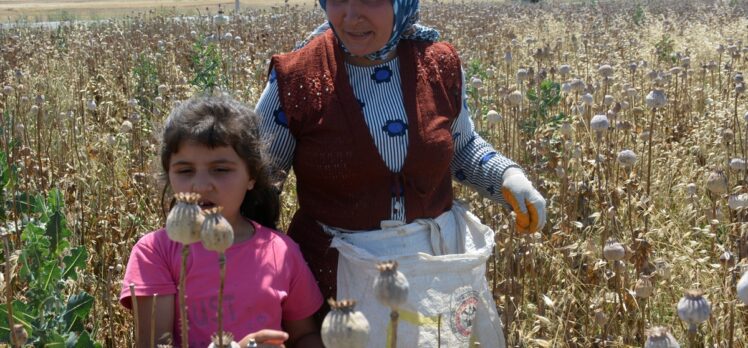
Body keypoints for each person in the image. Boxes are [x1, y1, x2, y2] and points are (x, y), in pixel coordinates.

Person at [256, 0, 547, 345]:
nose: (350, 16)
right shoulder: (297, 78)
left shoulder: (438, 64)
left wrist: (508, 178)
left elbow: (462, 147)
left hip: (432, 277)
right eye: (337, 0)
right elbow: (259, 182)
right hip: (336, 281)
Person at [120, 96, 324, 348]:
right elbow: (154, 345)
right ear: (169, 175)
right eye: (185, 171)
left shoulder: (281, 251)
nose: (202, 185)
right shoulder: (155, 252)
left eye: (221, 170)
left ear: (251, 177)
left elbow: (304, 336)